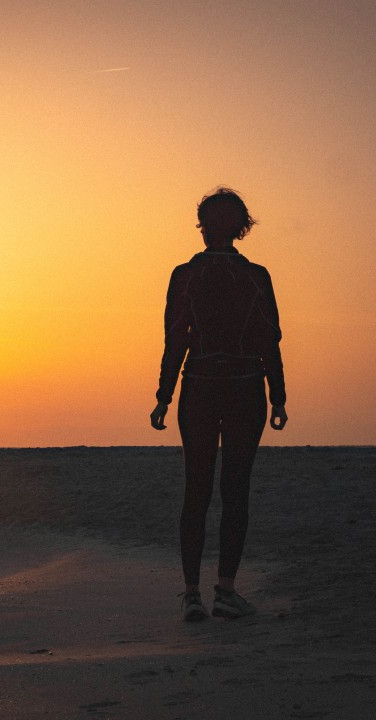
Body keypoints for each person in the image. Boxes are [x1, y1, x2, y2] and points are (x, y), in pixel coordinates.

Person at [150, 187, 287, 622]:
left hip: (208, 388)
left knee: (201, 489)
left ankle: (197, 594)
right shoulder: (254, 276)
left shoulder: (189, 274)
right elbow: (270, 341)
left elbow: (177, 340)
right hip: (240, 388)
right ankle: (220, 591)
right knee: (231, 491)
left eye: (213, 219)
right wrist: (277, 394)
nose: (210, 226)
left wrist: (164, 395)